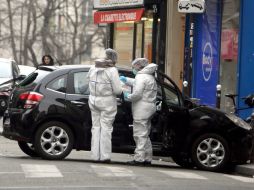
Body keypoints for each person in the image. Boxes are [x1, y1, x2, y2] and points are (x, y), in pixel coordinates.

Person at [120, 58, 157, 166]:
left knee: (139, 134)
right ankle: (147, 158)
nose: (133, 69)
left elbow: (137, 94)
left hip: (141, 109)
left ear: (138, 67)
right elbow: (137, 83)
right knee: (145, 134)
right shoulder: (149, 76)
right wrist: (126, 79)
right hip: (149, 107)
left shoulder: (141, 77)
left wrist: (128, 96)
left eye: (134, 67)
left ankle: (139, 158)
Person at [87, 48, 122, 163]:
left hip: (93, 100)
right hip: (107, 103)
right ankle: (105, 156)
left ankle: (95, 156)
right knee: (106, 128)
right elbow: (117, 91)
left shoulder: (93, 67)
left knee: (95, 128)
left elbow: (88, 83)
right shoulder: (112, 70)